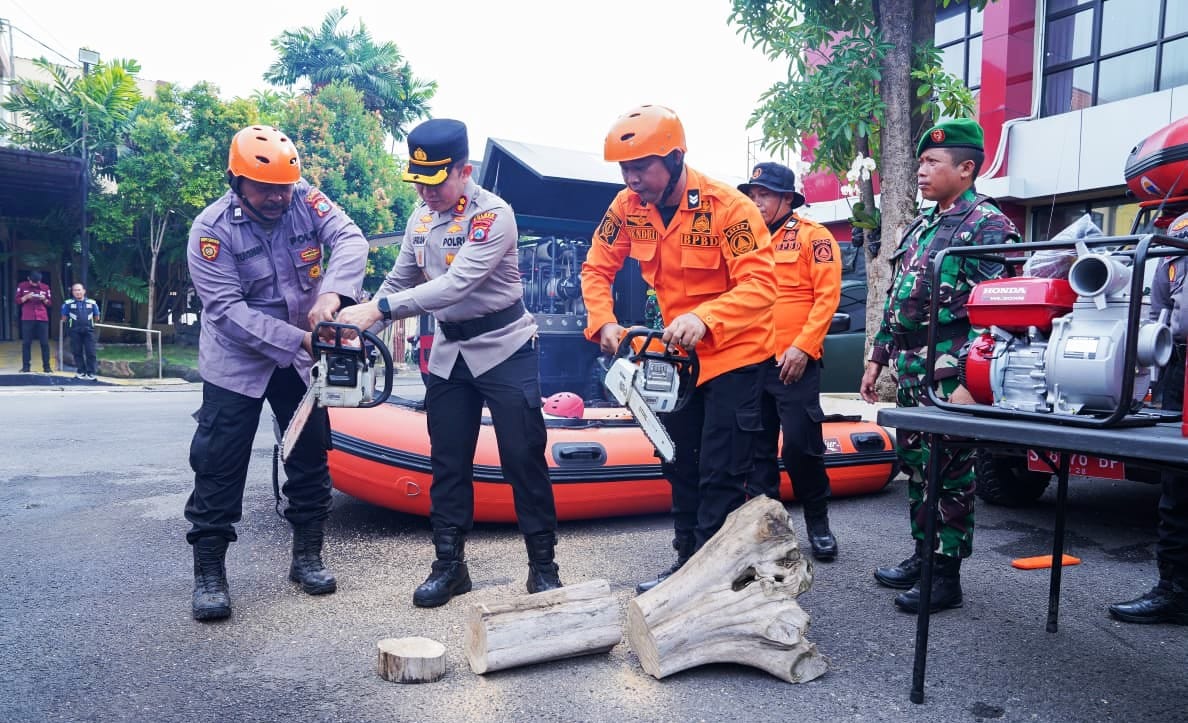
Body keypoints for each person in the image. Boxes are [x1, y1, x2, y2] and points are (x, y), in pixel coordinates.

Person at [336, 118, 562, 607]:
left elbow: (457, 285)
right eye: (417, 179)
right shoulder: (420, 218)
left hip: (505, 346)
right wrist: (364, 325)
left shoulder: (493, 216)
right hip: (449, 353)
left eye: (434, 179)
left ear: (464, 170)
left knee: (522, 457)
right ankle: (449, 566)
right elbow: (398, 282)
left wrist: (381, 309)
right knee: (448, 461)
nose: (424, 190)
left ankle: (543, 567)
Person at [580, 105, 778, 593]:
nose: (631, 179)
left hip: (736, 353)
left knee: (721, 471)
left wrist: (704, 317)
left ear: (673, 158)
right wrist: (601, 321)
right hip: (678, 357)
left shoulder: (728, 207)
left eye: (640, 167)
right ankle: (687, 565)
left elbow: (761, 284)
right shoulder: (626, 207)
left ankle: (715, 582)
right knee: (679, 460)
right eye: (624, 169)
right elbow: (596, 268)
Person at [184, 125, 368, 621]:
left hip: (301, 355)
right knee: (219, 462)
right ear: (236, 181)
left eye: (285, 186)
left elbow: (350, 239)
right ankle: (210, 574)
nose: (277, 197)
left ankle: (307, 557)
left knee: (309, 454)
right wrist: (299, 339)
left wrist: (333, 294)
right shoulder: (211, 229)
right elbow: (226, 311)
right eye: (265, 188)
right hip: (237, 359)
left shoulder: (306, 199)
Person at [860, 118, 1019, 613]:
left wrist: (974, 380)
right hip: (909, 366)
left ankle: (945, 576)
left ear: (966, 169)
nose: (922, 171)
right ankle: (922, 554)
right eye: (921, 161)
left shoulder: (990, 225)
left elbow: (1000, 311)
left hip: (952, 371)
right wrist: (878, 357)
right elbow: (897, 296)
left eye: (933, 162)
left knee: (947, 472)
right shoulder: (925, 223)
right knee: (917, 467)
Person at [738, 161, 842, 561]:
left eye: (764, 195)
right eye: (752, 194)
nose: (756, 201)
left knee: (802, 448)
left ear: (786, 198)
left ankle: (818, 524)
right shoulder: (743, 240)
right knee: (756, 453)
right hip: (750, 362)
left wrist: (804, 346)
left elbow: (826, 297)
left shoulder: (813, 238)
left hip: (794, 361)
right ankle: (770, 534)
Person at [1108, 210, 1188, 625]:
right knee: (1178, 482)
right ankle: (1175, 591)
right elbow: (1160, 309)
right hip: (1180, 361)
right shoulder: (1177, 232)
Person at [61, 283, 101, 380]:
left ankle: (91, 372)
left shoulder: (92, 303)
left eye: (79, 290)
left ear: (84, 291)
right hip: (74, 331)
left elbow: (97, 317)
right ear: (72, 292)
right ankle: (81, 371)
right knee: (77, 352)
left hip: (89, 331)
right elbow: (64, 317)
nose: (77, 292)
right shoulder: (68, 304)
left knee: (91, 352)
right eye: (75, 290)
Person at [16, 270, 52, 373]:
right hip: (27, 317)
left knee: (44, 343)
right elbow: (17, 301)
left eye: (38, 282)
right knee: (26, 343)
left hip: (42, 317)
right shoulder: (22, 286)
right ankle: (26, 367)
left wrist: (44, 299)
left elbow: (50, 303)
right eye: (34, 282)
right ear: (29, 279)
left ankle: (47, 367)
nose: (36, 284)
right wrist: (26, 297)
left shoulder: (45, 287)